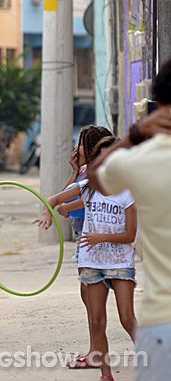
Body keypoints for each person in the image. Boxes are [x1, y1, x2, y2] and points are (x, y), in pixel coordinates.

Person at [88, 60, 171, 381]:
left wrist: (134, 135)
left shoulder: (137, 161)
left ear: (157, 105)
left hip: (161, 322)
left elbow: (94, 178)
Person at [36, 135, 137, 381]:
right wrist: (50, 214)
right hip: (92, 263)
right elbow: (55, 200)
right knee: (96, 320)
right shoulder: (88, 188)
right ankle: (106, 375)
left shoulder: (128, 193)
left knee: (126, 318)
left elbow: (130, 235)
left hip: (120, 263)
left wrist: (100, 237)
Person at [62, 126, 113, 369]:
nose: (76, 148)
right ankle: (95, 350)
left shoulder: (95, 174)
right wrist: (73, 172)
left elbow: (75, 202)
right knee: (87, 297)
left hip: (91, 241)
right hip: (83, 240)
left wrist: (63, 206)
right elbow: (65, 195)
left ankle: (97, 353)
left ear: (91, 148)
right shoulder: (82, 172)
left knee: (92, 299)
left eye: (80, 143)